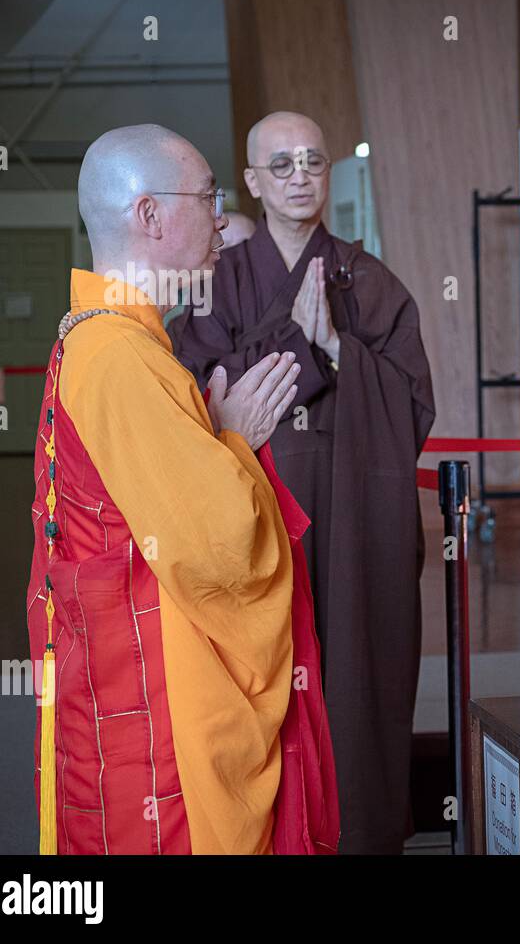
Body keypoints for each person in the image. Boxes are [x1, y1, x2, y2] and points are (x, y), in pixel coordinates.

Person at [26, 123, 337, 854]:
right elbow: (224, 550)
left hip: (114, 682)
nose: (224, 220)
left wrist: (215, 438)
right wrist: (231, 442)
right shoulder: (121, 360)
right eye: (208, 196)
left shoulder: (105, 339)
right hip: (152, 712)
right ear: (150, 214)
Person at [171, 111, 435, 854]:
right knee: (255, 681)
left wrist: (340, 351)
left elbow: (415, 406)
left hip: (354, 519)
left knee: (355, 677)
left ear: (329, 174)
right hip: (251, 518)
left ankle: (356, 833)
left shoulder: (371, 281)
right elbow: (197, 390)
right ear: (251, 182)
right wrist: (302, 343)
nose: (298, 177)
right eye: (279, 166)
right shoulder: (212, 285)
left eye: (312, 162)